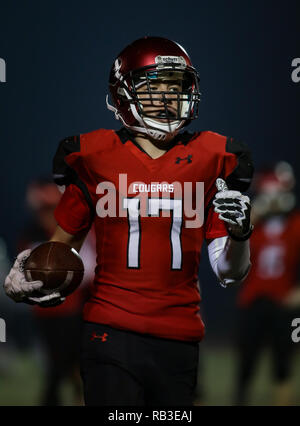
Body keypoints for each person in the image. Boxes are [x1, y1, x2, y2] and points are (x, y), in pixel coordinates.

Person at [4, 36, 254, 406]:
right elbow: (61, 248)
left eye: (177, 86)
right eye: (155, 87)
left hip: (180, 336)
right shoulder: (94, 156)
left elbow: (229, 272)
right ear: (123, 93)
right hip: (109, 331)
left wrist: (241, 234)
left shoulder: (212, 157)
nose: (168, 96)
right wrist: (32, 275)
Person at [18, 177, 96, 405]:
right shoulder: (33, 234)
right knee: (59, 366)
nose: (47, 215)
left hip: (78, 308)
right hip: (51, 312)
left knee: (74, 365)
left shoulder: (82, 229)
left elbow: (88, 268)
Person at [234, 162, 300, 406]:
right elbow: (233, 237)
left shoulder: (295, 224)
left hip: (285, 305)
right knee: (245, 364)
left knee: (283, 365)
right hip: (252, 300)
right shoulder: (253, 225)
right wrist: (258, 210)